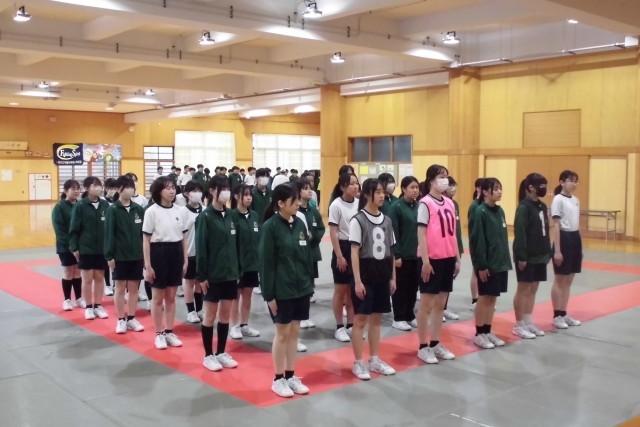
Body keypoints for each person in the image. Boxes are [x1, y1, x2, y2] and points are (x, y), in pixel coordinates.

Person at [259, 184, 313, 397]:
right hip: (281, 290)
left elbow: (306, 257)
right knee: (282, 334)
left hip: (301, 289)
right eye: (294, 200)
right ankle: (278, 378)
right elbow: (266, 263)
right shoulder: (270, 227)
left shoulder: (299, 223)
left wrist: (308, 284)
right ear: (280, 203)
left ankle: (290, 376)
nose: (298, 203)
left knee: (294, 332)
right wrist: (269, 295)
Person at [350, 178, 397, 380]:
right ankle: (358, 362)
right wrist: (357, 281)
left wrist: (393, 277)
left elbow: (391, 251)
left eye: (382, 192)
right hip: (365, 274)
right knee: (360, 319)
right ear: (367, 194)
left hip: (382, 273)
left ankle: (375, 359)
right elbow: (354, 251)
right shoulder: (358, 220)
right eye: (377, 192)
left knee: (377, 319)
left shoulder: (387, 220)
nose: (382, 195)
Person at [415, 165, 460, 364]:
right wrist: (425, 261)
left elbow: (453, 233)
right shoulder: (425, 203)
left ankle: (435, 342)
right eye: (441, 176)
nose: (445, 180)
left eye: (446, 177)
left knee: (441, 304)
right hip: (431, 259)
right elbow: (421, 233)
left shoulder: (450, 203)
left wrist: (457, 257)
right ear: (431, 180)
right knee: (427, 304)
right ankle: (422, 346)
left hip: (447, 257)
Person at [196, 175, 240, 371]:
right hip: (212, 275)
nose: (227, 192)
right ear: (213, 191)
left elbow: (236, 245)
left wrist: (237, 270)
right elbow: (201, 247)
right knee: (210, 316)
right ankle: (208, 355)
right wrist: (202, 276)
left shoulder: (231, 215)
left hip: (230, 274)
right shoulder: (205, 217)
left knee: (225, 315)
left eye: (228, 188)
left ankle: (221, 352)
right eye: (223, 189)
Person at [142, 176, 187, 350]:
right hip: (158, 252)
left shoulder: (179, 210)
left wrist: (184, 260)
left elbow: (183, 238)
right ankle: (159, 333)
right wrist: (148, 265)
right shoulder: (151, 211)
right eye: (167, 188)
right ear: (159, 191)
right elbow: (146, 240)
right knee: (157, 297)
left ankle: (169, 331)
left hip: (176, 252)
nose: (172, 191)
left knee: (171, 296)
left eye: (173, 187)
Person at [469, 178, 512, 349]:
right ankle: (479, 333)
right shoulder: (480, 212)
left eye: (501, 188)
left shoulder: (500, 211)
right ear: (485, 192)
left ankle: (487, 330)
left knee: (493, 298)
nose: (500, 191)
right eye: (496, 189)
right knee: (484, 298)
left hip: (500, 263)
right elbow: (477, 241)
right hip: (487, 264)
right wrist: (481, 265)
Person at [104, 175, 145, 334]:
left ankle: (132, 318)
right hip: (119, 256)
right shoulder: (112, 210)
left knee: (134, 288)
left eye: (132, 187)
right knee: (120, 288)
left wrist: (144, 255)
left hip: (137, 255)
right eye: (127, 187)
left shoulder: (138, 209)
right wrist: (109, 256)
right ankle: (121, 319)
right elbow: (109, 234)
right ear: (119, 189)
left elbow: (143, 234)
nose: (130, 190)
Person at [512, 173, 551, 339]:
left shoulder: (542, 206)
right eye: (540, 185)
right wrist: (521, 256)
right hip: (527, 255)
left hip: (540, 254)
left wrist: (547, 252)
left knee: (533, 288)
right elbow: (520, 232)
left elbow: (545, 230)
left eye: (545, 185)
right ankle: (519, 324)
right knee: (523, 289)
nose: (543, 188)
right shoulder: (524, 207)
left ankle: (528, 321)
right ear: (530, 188)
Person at [69, 176, 110, 320]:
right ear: (87, 188)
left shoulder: (105, 205)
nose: (98, 187)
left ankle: (98, 305)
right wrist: (74, 247)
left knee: (99, 277)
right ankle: (88, 307)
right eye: (94, 185)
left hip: (102, 249)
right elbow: (74, 229)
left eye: (99, 184)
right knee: (87, 279)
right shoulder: (80, 206)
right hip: (86, 248)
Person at [328, 172, 360, 342]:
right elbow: (333, 232)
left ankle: (351, 325)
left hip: (356, 247)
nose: (355, 186)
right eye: (351, 183)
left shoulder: (360, 203)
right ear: (342, 187)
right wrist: (339, 255)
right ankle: (339, 326)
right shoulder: (336, 205)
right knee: (340, 290)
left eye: (356, 183)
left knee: (352, 290)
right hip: (342, 247)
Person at [550, 170, 582, 329]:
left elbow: (576, 222)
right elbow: (556, 225)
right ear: (562, 182)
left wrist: (578, 244)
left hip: (575, 238)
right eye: (570, 180)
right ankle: (556, 315)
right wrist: (557, 250)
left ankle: (563, 312)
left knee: (569, 279)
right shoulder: (558, 199)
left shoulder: (576, 200)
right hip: (563, 238)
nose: (573, 184)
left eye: (576, 181)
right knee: (560, 279)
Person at [228, 184, 261, 340]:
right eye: (245, 195)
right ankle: (234, 326)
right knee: (235, 296)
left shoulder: (254, 215)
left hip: (252, 264)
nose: (249, 197)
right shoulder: (231, 216)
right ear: (236, 196)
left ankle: (244, 325)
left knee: (248, 295)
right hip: (237, 265)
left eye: (250, 195)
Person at [388, 176, 420, 331]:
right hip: (402, 256)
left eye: (417, 187)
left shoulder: (419, 206)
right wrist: (397, 255)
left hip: (416, 255)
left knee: (413, 287)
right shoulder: (396, 207)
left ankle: (409, 314)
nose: (415, 190)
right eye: (412, 187)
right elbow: (393, 233)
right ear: (404, 189)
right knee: (401, 288)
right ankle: (399, 317)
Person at [51, 179, 84, 311]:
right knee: (68, 271)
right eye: (73, 189)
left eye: (78, 189)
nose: (76, 191)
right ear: (65, 191)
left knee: (78, 271)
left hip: (80, 246)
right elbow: (59, 229)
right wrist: (71, 245)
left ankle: (79, 298)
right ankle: (67, 299)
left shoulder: (81, 205)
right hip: (65, 246)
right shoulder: (59, 207)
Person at [296, 178, 325, 323]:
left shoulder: (313, 210)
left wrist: (314, 237)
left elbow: (321, 228)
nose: (309, 191)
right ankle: (300, 317)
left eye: (310, 188)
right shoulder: (295, 210)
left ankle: (305, 316)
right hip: (299, 254)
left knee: (310, 281)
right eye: (305, 188)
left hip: (312, 251)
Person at [181, 181, 204, 324]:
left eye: (199, 191)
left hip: (202, 254)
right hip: (189, 253)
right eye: (194, 191)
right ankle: (191, 310)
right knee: (189, 282)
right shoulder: (182, 212)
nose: (197, 194)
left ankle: (200, 309)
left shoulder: (205, 210)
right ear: (186, 194)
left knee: (200, 282)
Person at [441, 176, 463, 321]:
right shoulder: (437, 203)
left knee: (449, 280)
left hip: (455, 246)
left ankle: (444, 307)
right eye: (450, 185)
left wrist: (458, 250)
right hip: (442, 249)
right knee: (440, 282)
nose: (453, 188)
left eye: (454, 185)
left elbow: (456, 230)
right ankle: (438, 309)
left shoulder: (454, 204)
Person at [467, 178, 484, 310]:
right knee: (476, 271)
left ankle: (483, 297)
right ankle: (475, 299)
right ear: (478, 189)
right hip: (476, 243)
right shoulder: (474, 206)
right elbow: (473, 227)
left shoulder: (485, 205)